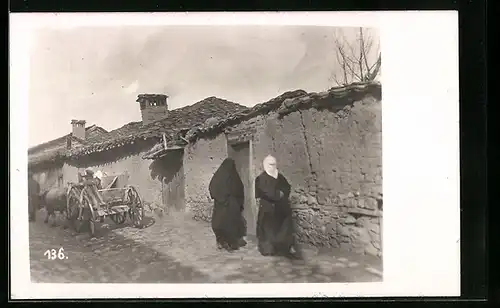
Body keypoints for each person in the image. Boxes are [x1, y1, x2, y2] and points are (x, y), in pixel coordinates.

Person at [255, 155, 302, 259]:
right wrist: (278, 194)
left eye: (273, 164)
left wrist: (282, 193)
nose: (272, 167)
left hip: (281, 208)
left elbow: (287, 187)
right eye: (270, 165)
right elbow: (265, 191)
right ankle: (268, 249)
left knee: (283, 228)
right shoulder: (261, 178)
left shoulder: (280, 177)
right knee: (268, 230)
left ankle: (282, 248)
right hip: (267, 208)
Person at [208, 158, 247, 251]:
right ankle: (227, 242)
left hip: (223, 205)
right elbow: (239, 190)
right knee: (227, 224)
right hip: (228, 205)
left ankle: (225, 242)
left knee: (222, 224)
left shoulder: (218, 176)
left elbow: (212, 188)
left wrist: (219, 198)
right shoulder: (233, 177)